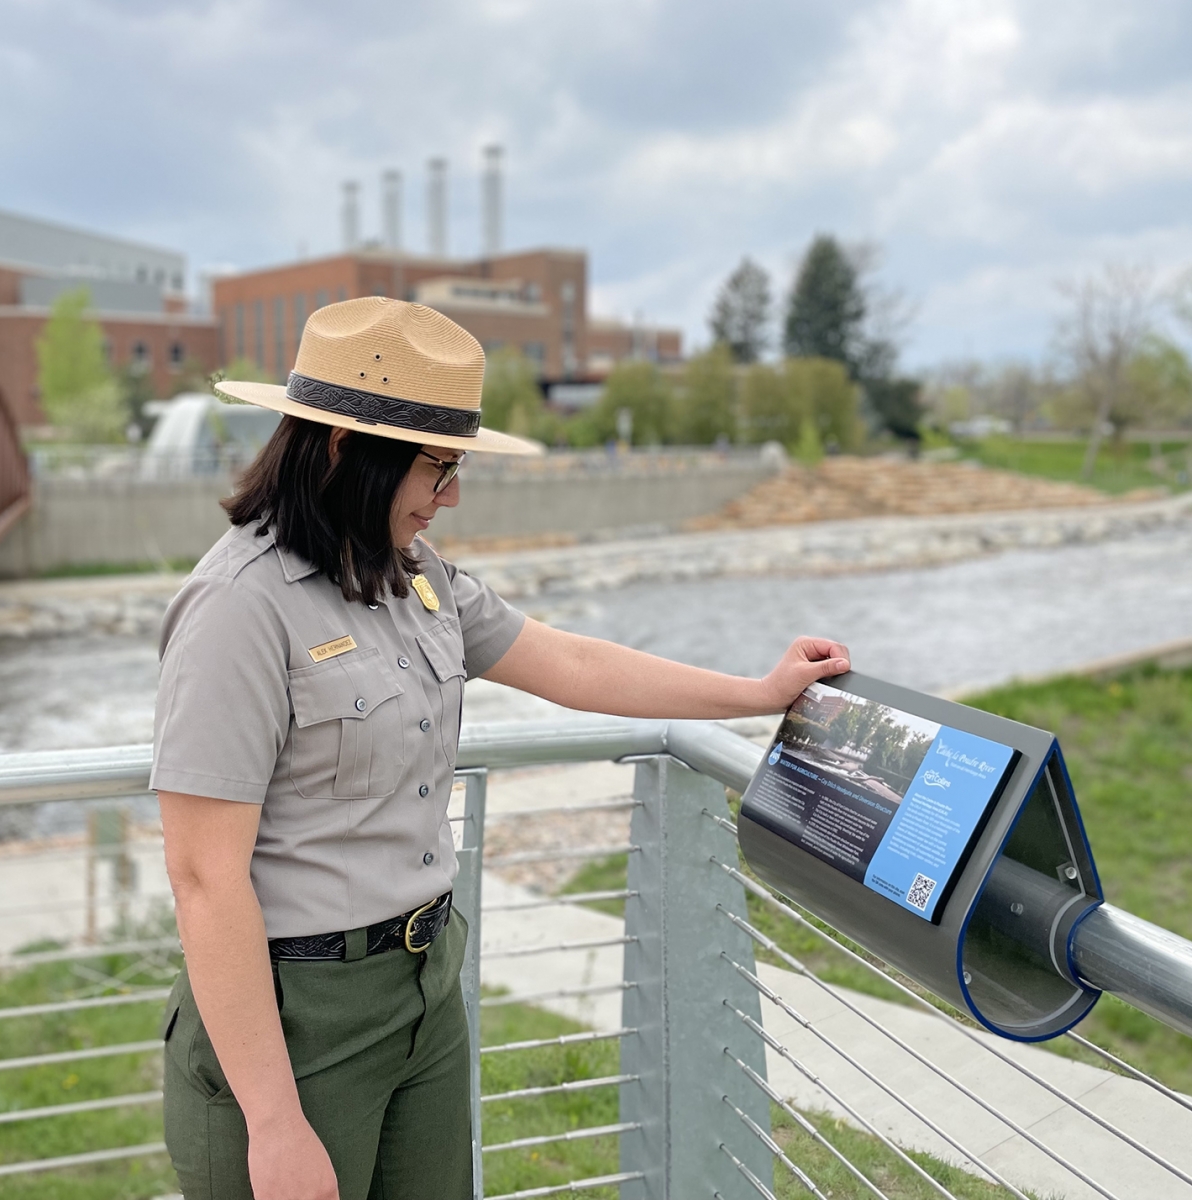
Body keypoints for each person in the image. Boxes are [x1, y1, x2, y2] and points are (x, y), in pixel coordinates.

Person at [151, 297, 851, 1199]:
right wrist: (276, 1122)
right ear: (342, 451)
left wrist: (754, 695)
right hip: (294, 1022)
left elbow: (568, 661)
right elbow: (204, 877)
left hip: (424, 991)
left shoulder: (411, 578)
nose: (452, 497)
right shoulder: (239, 606)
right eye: (436, 469)